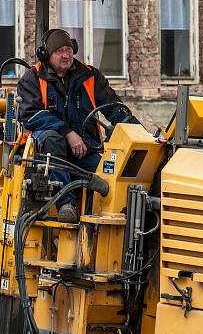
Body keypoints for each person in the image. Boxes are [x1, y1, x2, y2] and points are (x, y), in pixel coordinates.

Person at [17, 28, 137, 223]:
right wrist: (68, 133)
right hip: (47, 153)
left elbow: (113, 107)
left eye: (68, 49)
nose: (66, 55)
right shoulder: (32, 79)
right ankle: (65, 204)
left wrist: (137, 131)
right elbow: (31, 115)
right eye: (59, 51)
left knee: (107, 172)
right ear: (46, 55)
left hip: (85, 150)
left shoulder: (89, 76)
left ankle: (92, 222)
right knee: (51, 138)